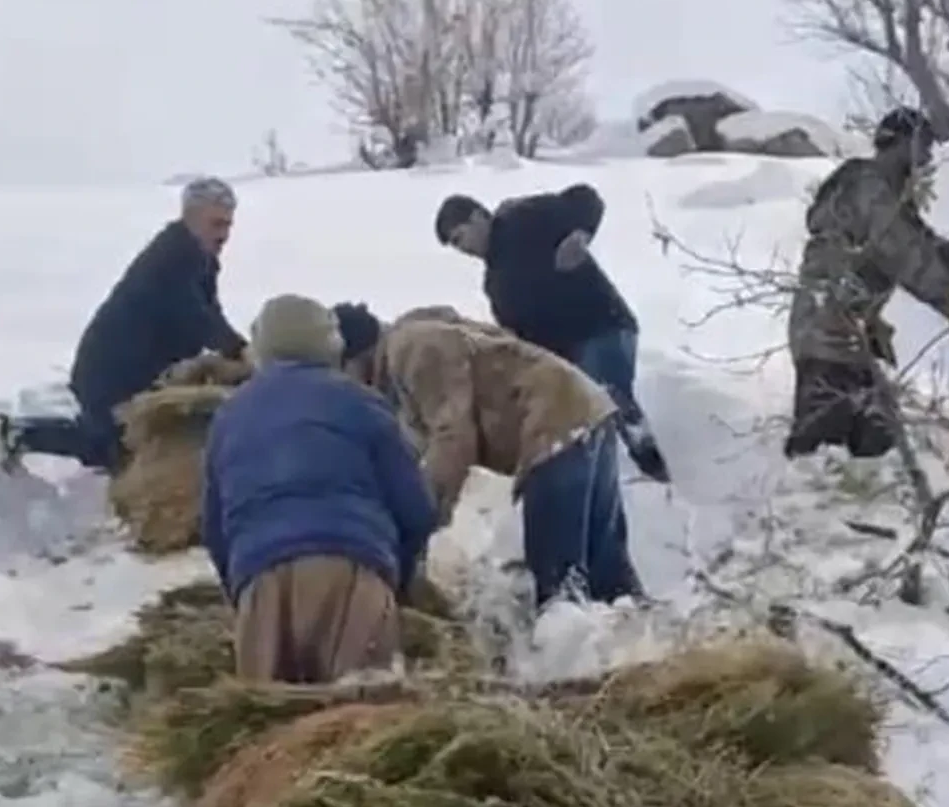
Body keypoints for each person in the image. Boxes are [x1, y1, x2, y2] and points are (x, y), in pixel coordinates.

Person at [202, 294, 438, 685]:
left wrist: (243, 594)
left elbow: (214, 528)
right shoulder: (360, 401)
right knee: (362, 707)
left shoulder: (228, 417)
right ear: (331, 344)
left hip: (260, 575)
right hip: (351, 569)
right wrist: (401, 581)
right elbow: (416, 510)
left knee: (269, 711)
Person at [379, 307, 642, 611]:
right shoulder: (425, 340)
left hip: (553, 423)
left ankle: (568, 633)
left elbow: (454, 438)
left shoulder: (410, 348)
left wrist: (421, 524)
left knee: (559, 585)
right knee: (610, 579)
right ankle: (651, 633)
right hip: (589, 410)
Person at [0, 178, 245, 474]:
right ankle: (19, 434)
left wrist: (239, 349)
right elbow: (195, 317)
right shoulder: (171, 259)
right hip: (110, 368)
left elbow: (209, 312)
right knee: (113, 447)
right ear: (191, 217)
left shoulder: (199, 259)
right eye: (216, 224)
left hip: (136, 369)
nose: (224, 235)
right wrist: (240, 352)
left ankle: (24, 434)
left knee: (125, 446)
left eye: (228, 225)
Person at [434, 185, 670, 484]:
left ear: (478, 216)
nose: (463, 249)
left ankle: (658, 472)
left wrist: (580, 234)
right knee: (579, 414)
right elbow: (521, 335)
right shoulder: (495, 285)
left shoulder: (522, 218)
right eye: (455, 246)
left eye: (460, 237)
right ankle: (606, 481)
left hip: (602, 325)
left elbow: (585, 198)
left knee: (609, 392)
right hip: (569, 355)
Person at [785, 108, 949, 461]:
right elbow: (907, 253)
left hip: (846, 336)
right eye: (924, 146)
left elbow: (919, 244)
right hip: (830, 335)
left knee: (875, 446)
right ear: (903, 143)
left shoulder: (878, 192)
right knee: (822, 456)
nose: (928, 158)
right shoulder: (870, 188)